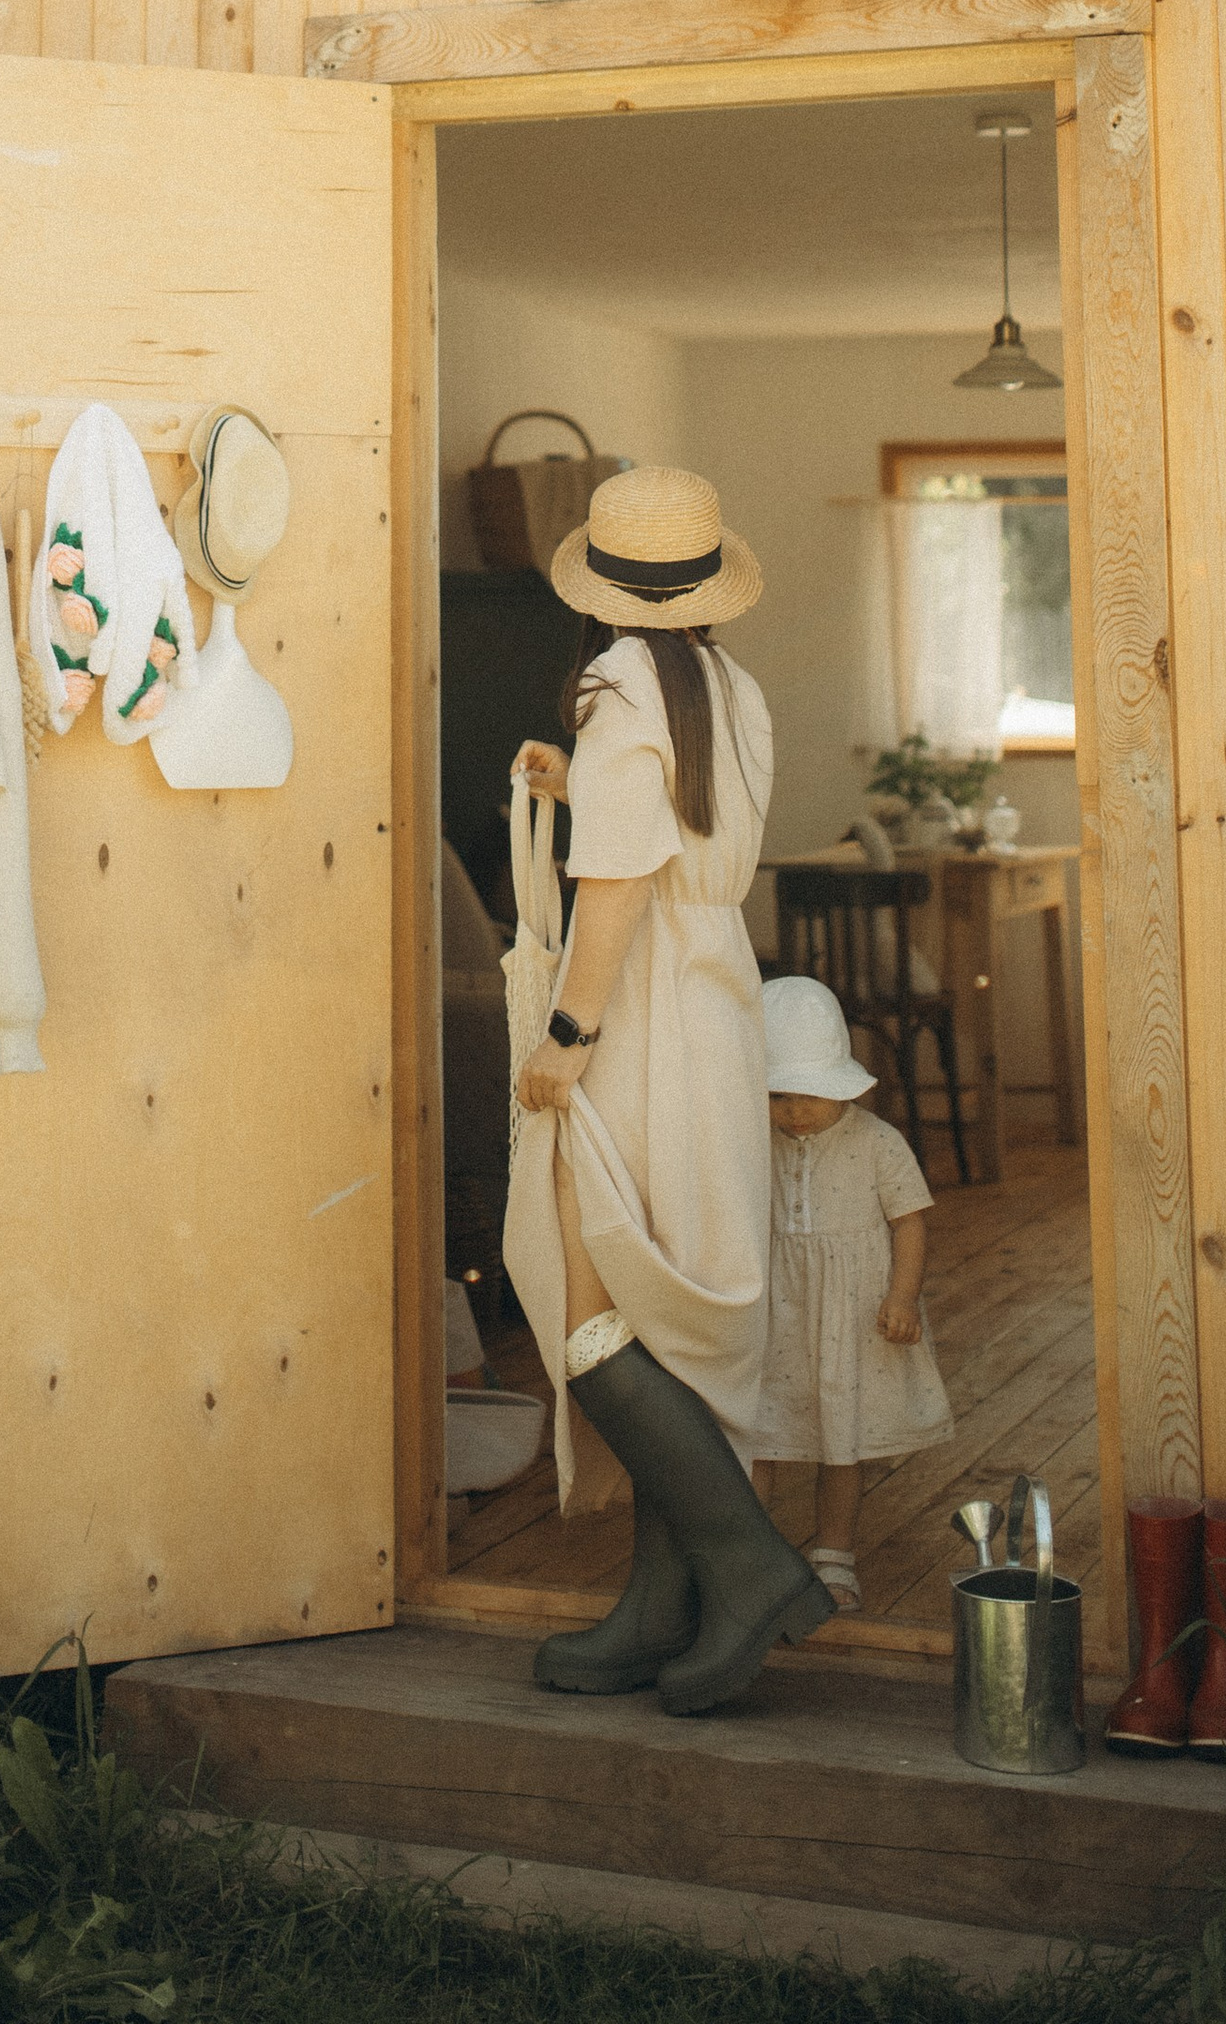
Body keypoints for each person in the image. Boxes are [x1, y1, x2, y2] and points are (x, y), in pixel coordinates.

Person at [504, 464, 829, 1714]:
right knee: (667, 1310)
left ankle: (749, 1569)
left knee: (583, 1297)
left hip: (635, 1011)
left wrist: (567, 1033)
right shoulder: (722, 685)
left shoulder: (616, 685)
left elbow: (619, 885)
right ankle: (663, 1606)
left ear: (600, 586)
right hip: (714, 999)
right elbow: (678, 836)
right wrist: (577, 781)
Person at [750, 976, 952, 1612]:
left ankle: (834, 1555)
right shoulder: (753, 1144)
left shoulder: (877, 1142)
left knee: (842, 1437)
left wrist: (903, 1296)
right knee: (758, 1431)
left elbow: (909, 1222)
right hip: (776, 1312)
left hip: (851, 1315)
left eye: (811, 1094)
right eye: (779, 1095)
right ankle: (747, 1558)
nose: (796, 1110)